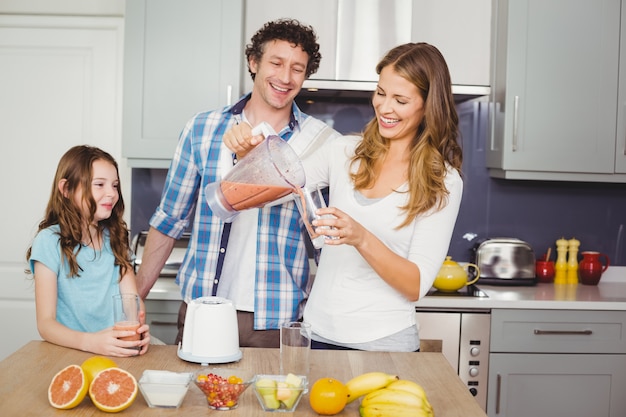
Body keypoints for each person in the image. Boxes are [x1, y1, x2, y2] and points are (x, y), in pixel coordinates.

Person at [136, 19, 340, 348]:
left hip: (275, 319)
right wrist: (135, 299)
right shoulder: (202, 129)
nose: (286, 77)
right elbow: (169, 220)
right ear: (254, 62)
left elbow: (326, 239)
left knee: (273, 401)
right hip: (202, 310)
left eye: (297, 68)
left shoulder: (320, 144)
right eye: (276, 63)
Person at [300, 42, 464, 351]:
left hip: (385, 344)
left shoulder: (442, 180)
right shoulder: (344, 152)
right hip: (318, 334)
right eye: (380, 93)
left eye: (400, 100)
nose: (384, 108)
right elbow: (282, 180)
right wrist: (250, 153)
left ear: (428, 105)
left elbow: (415, 285)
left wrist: (361, 237)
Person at [26, 145, 150, 357]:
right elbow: (46, 324)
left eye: (115, 185)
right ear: (66, 189)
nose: (111, 193)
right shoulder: (48, 242)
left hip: (115, 352)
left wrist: (137, 331)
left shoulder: (117, 238)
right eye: (99, 185)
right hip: (70, 353)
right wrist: (92, 342)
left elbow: (132, 302)